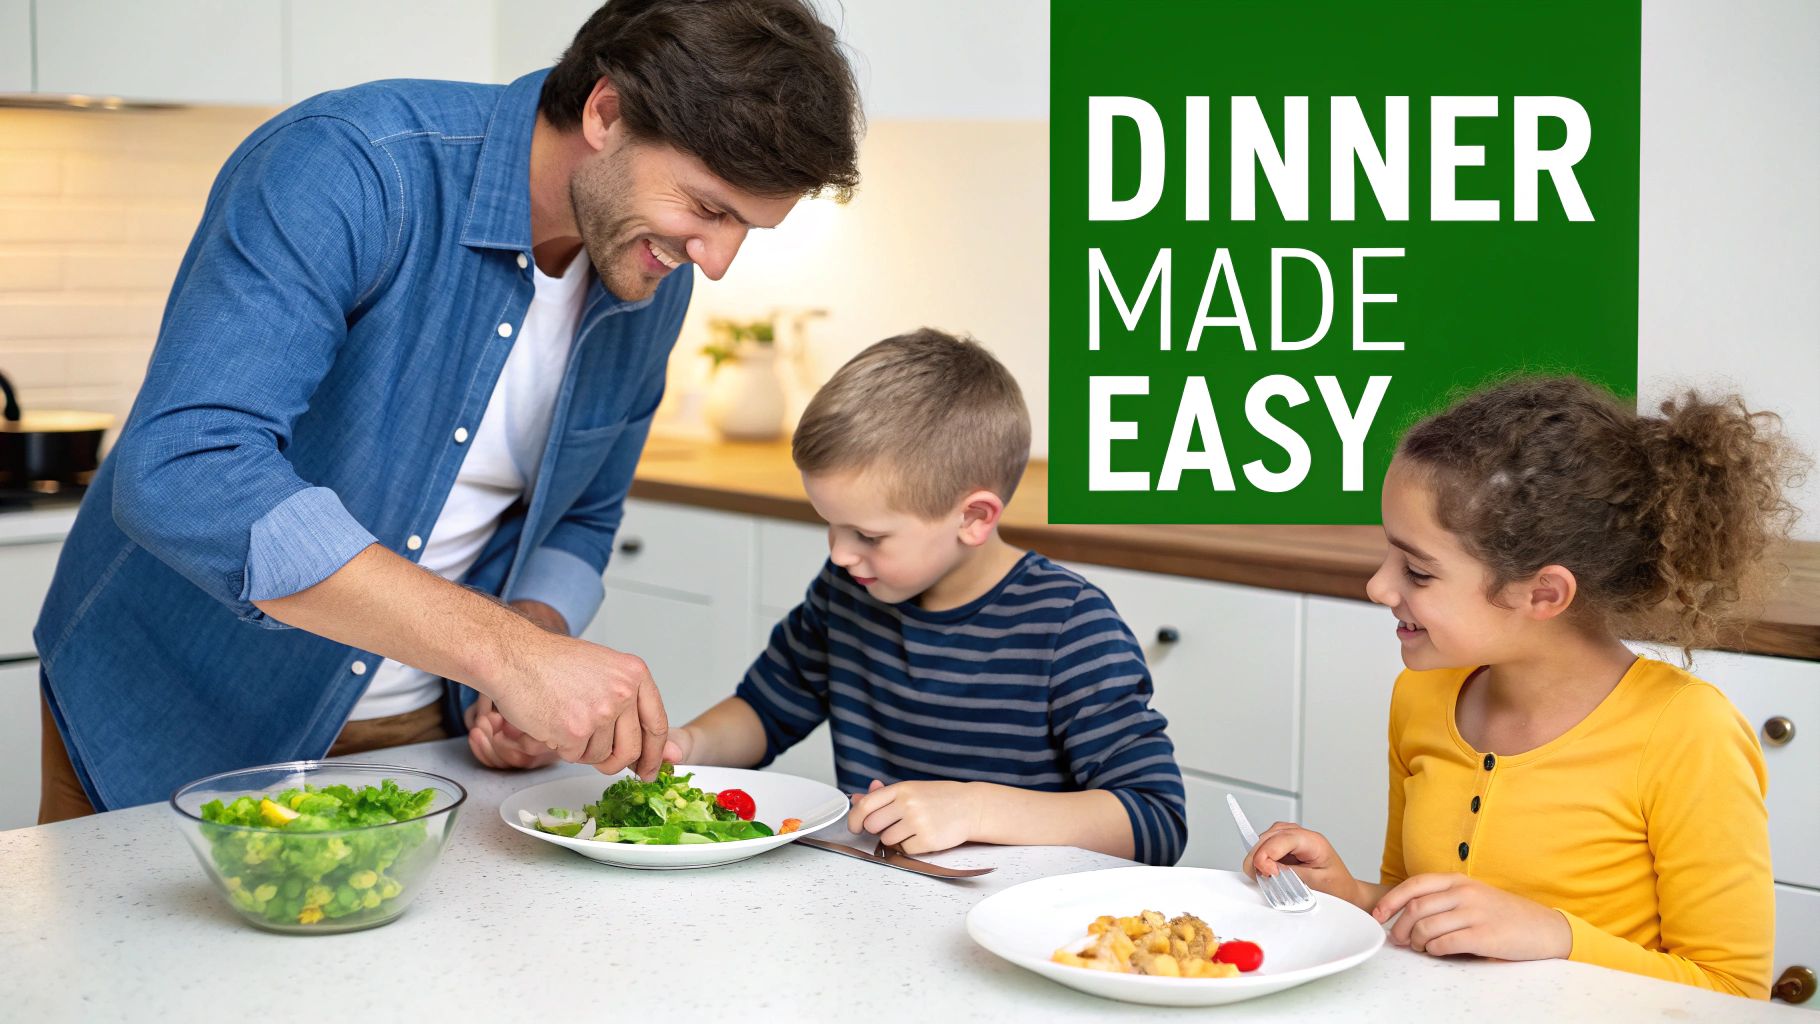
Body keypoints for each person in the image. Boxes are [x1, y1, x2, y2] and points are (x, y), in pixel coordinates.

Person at [34, 0, 863, 820]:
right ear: (606, 112)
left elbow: (581, 517)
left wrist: (524, 659)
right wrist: (511, 653)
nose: (714, 261)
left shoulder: (647, 276)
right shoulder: (354, 165)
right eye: (708, 209)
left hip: (421, 745)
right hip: (178, 721)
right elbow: (188, 467)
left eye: (745, 229)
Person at [1243, 376, 1801, 998]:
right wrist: (1347, 894)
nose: (1378, 586)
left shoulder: (1687, 732)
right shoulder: (1421, 698)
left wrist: (1556, 937)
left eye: (1418, 571)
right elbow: (1419, 918)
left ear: (1543, 593)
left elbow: (1733, 991)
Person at [658, 329, 1189, 866]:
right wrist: (687, 747)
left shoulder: (1070, 626)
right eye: (830, 525)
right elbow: (766, 710)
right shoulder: (848, 592)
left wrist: (976, 809)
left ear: (973, 518)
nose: (840, 554)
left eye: (868, 535)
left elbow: (1157, 820)